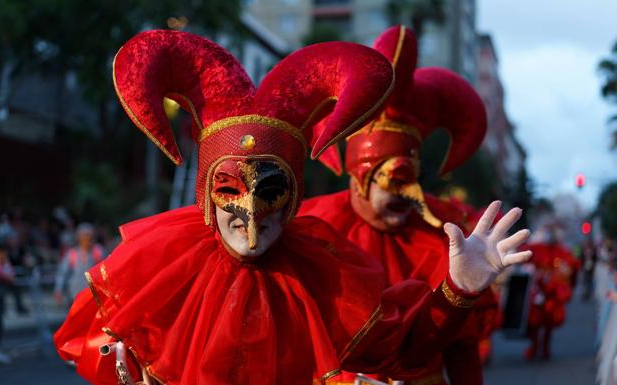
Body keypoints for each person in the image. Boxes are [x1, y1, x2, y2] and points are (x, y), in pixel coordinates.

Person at [54, 30, 530, 385]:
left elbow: (405, 347)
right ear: (204, 193)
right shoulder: (155, 270)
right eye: (228, 188)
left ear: (295, 198)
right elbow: (96, 351)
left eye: (271, 192)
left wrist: (458, 289)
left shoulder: (326, 277)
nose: (250, 213)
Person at [299, 25, 507, 384]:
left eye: (410, 177)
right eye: (389, 179)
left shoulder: (444, 235)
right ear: (356, 174)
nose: (403, 192)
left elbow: (461, 349)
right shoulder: (310, 228)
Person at [521, 223, 580, 360]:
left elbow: (571, 267)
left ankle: (545, 349)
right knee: (534, 324)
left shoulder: (562, 251)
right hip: (536, 292)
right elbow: (524, 258)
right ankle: (534, 348)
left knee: (548, 324)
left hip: (551, 295)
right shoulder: (536, 248)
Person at [54, 223, 104, 305]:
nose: (88, 239)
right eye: (85, 236)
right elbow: (62, 274)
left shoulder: (98, 251)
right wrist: (58, 290)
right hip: (74, 296)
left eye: (90, 236)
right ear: (79, 238)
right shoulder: (72, 254)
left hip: (94, 296)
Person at [0, 242, 15, 364]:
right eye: (2, 252)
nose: (4, 254)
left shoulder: (4, 263)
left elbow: (11, 275)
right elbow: (7, 277)